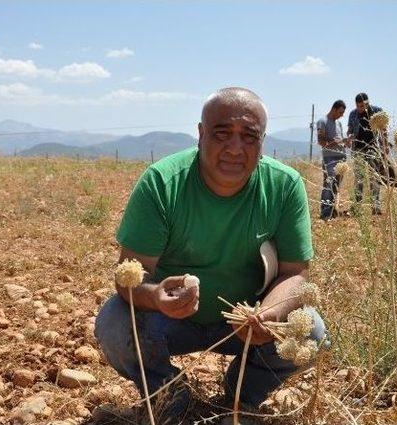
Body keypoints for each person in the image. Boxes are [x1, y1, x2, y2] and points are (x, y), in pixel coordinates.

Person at [95, 87, 327, 424]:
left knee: (311, 331)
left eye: (249, 136)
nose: (235, 148)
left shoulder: (284, 185)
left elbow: (295, 273)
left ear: (262, 141)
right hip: (170, 321)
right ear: (201, 134)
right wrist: (157, 296)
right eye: (222, 133)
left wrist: (267, 314)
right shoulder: (162, 182)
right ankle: (169, 395)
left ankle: (239, 397)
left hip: (246, 326)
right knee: (115, 324)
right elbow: (127, 276)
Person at [347, 92, 386, 215]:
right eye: (359, 106)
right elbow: (349, 130)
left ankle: (375, 207)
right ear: (356, 105)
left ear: (368, 103)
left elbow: (384, 130)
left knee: (374, 178)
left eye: (364, 105)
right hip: (358, 149)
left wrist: (385, 146)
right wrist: (349, 136)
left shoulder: (377, 112)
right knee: (359, 179)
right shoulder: (353, 114)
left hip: (374, 149)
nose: (362, 108)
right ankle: (357, 208)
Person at [317, 100, 349, 220]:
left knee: (336, 185)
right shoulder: (322, 121)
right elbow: (321, 141)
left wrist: (345, 142)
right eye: (340, 112)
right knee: (329, 183)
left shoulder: (339, 123)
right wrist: (333, 143)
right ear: (334, 109)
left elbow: (339, 140)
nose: (342, 115)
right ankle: (325, 213)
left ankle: (332, 211)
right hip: (329, 158)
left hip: (341, 157)